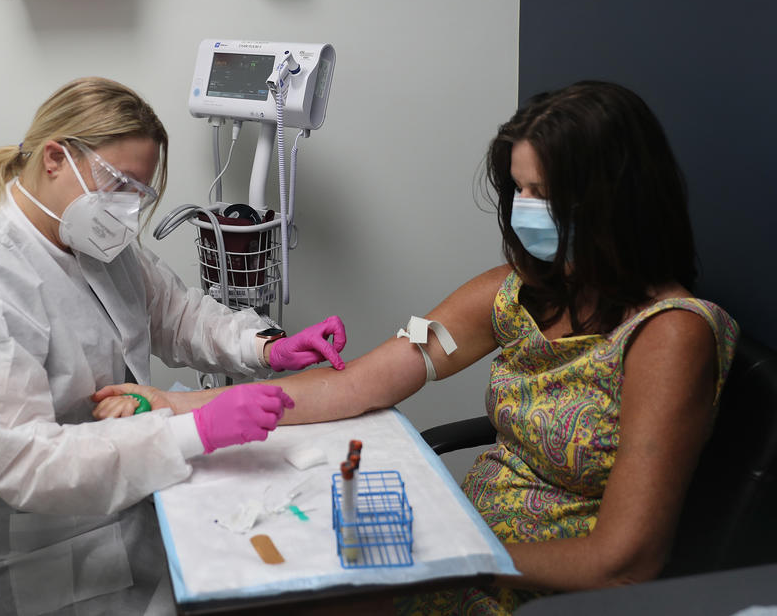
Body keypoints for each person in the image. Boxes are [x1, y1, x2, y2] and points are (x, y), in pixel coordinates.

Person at [95, 81, 739, 615]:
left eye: (545, 193)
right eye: (520, 190)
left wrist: (449, 558)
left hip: (540, 587)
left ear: (611, 200)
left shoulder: (670, 334)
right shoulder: (515, 295)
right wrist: (184, 410)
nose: (526, 210)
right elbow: (360, 383)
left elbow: (623, 564)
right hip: (468, 542)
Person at [0, 76, 347, 616]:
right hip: (21, 544)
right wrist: (194, 428)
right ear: (56, 157)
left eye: (142, 194)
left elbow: (174, 314)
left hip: (110, 496)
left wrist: (264, 346)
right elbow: (24, 465)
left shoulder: (87, 237)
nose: (129, 208)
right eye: (120, 184)